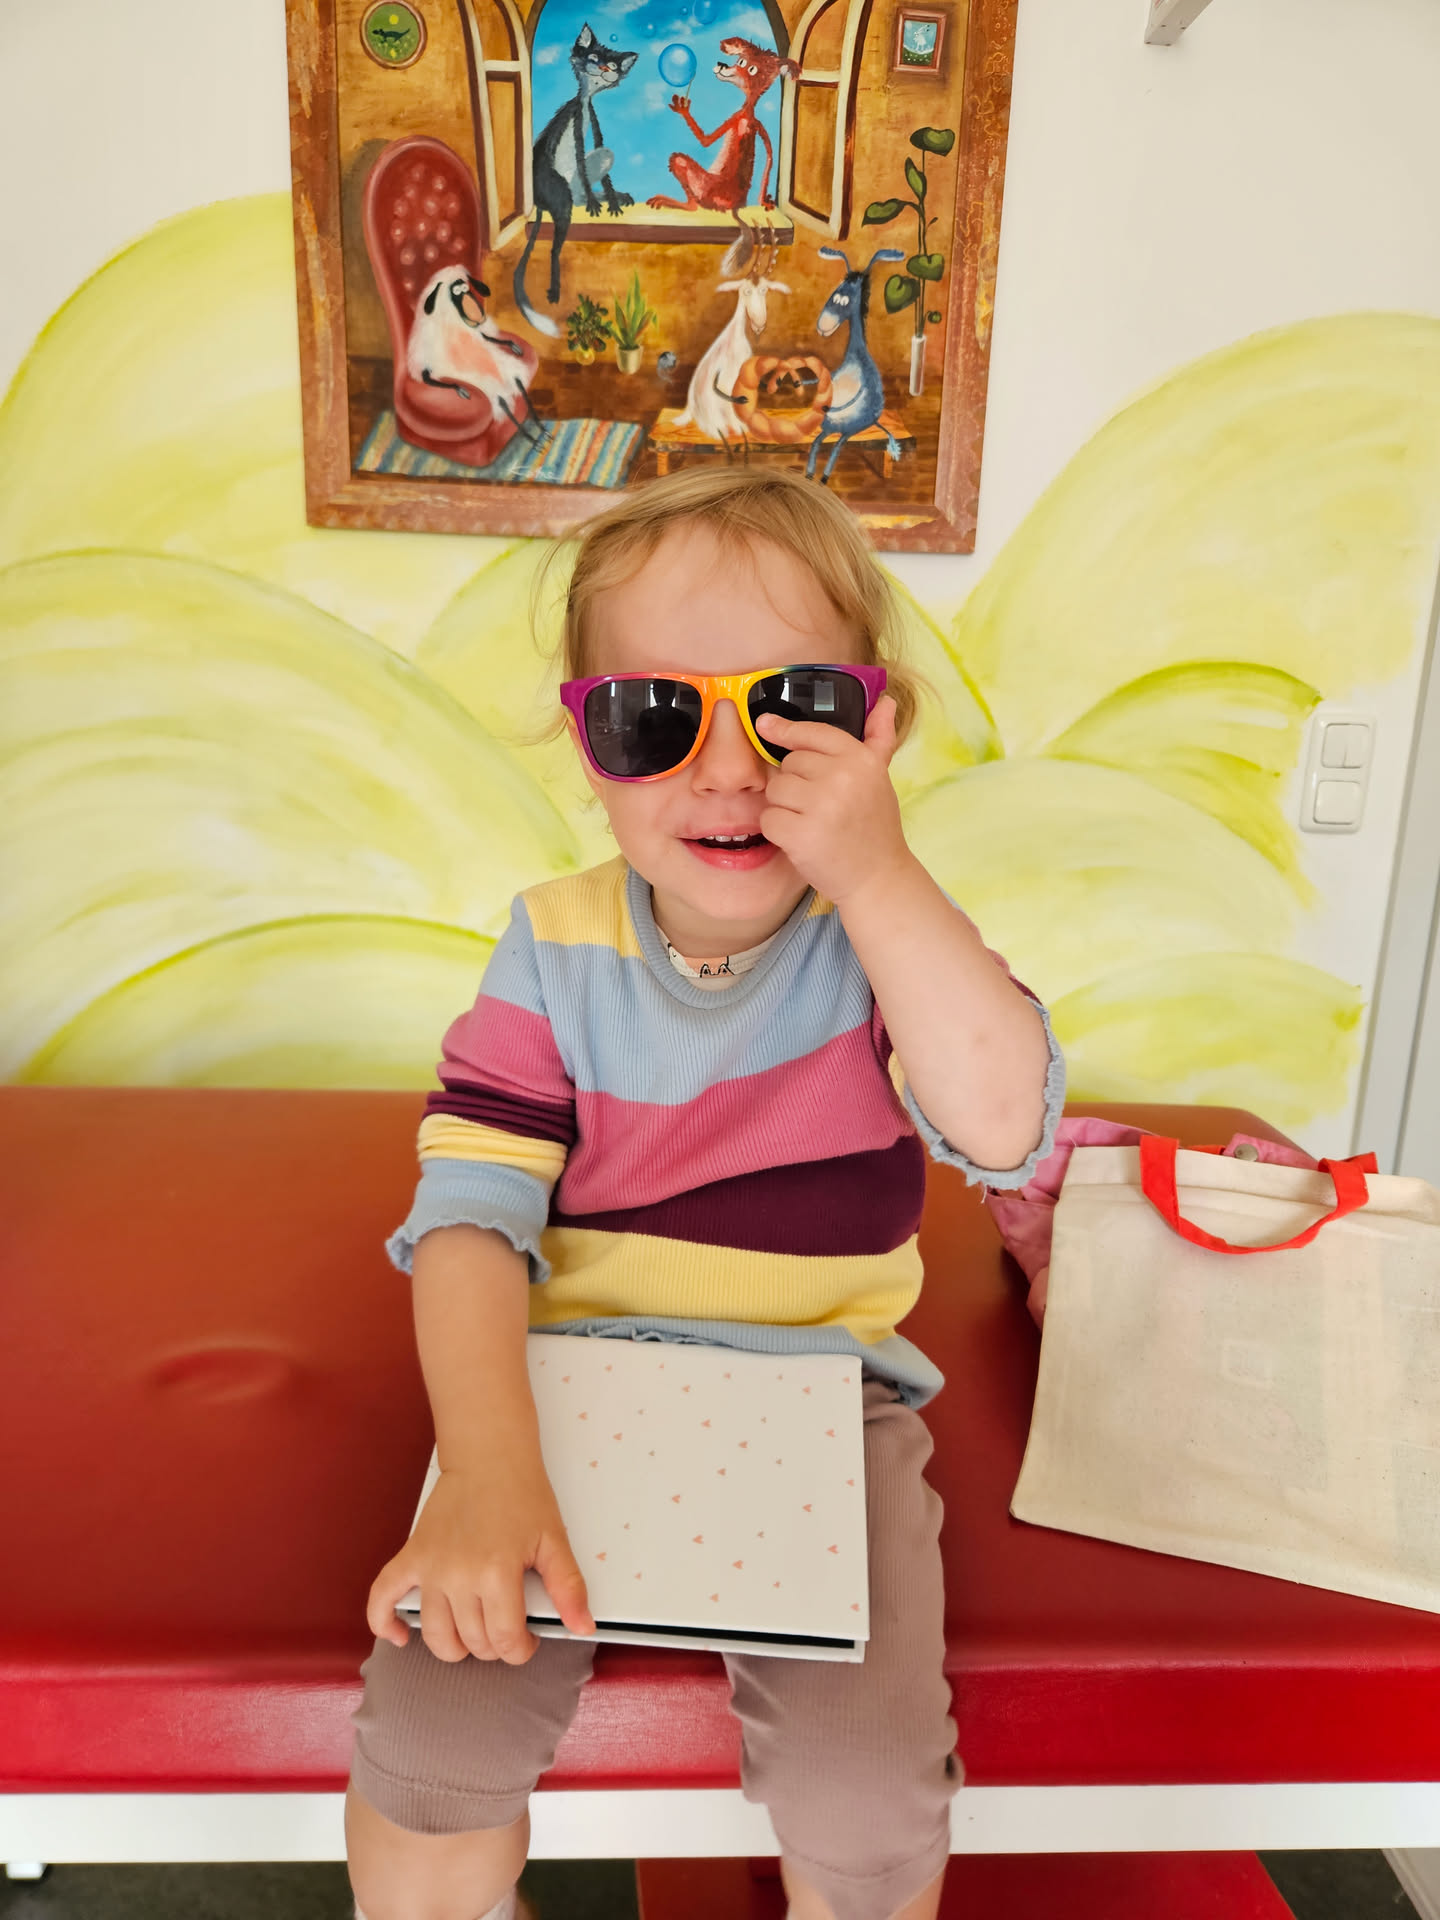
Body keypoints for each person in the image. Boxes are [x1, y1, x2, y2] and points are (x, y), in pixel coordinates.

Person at [345, 467, 1065, 1920]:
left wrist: (879, 871)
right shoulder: (551, 948)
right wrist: (485, 1465)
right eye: (651, 717)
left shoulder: (886, 942)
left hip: (824, 1396)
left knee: (869, 1792)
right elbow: (470, 1215)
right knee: (429, 1749)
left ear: (878, 728)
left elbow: (1002, 1130)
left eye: (795, 710)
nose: (731, 769)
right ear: (588, 741)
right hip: (565, 1376)